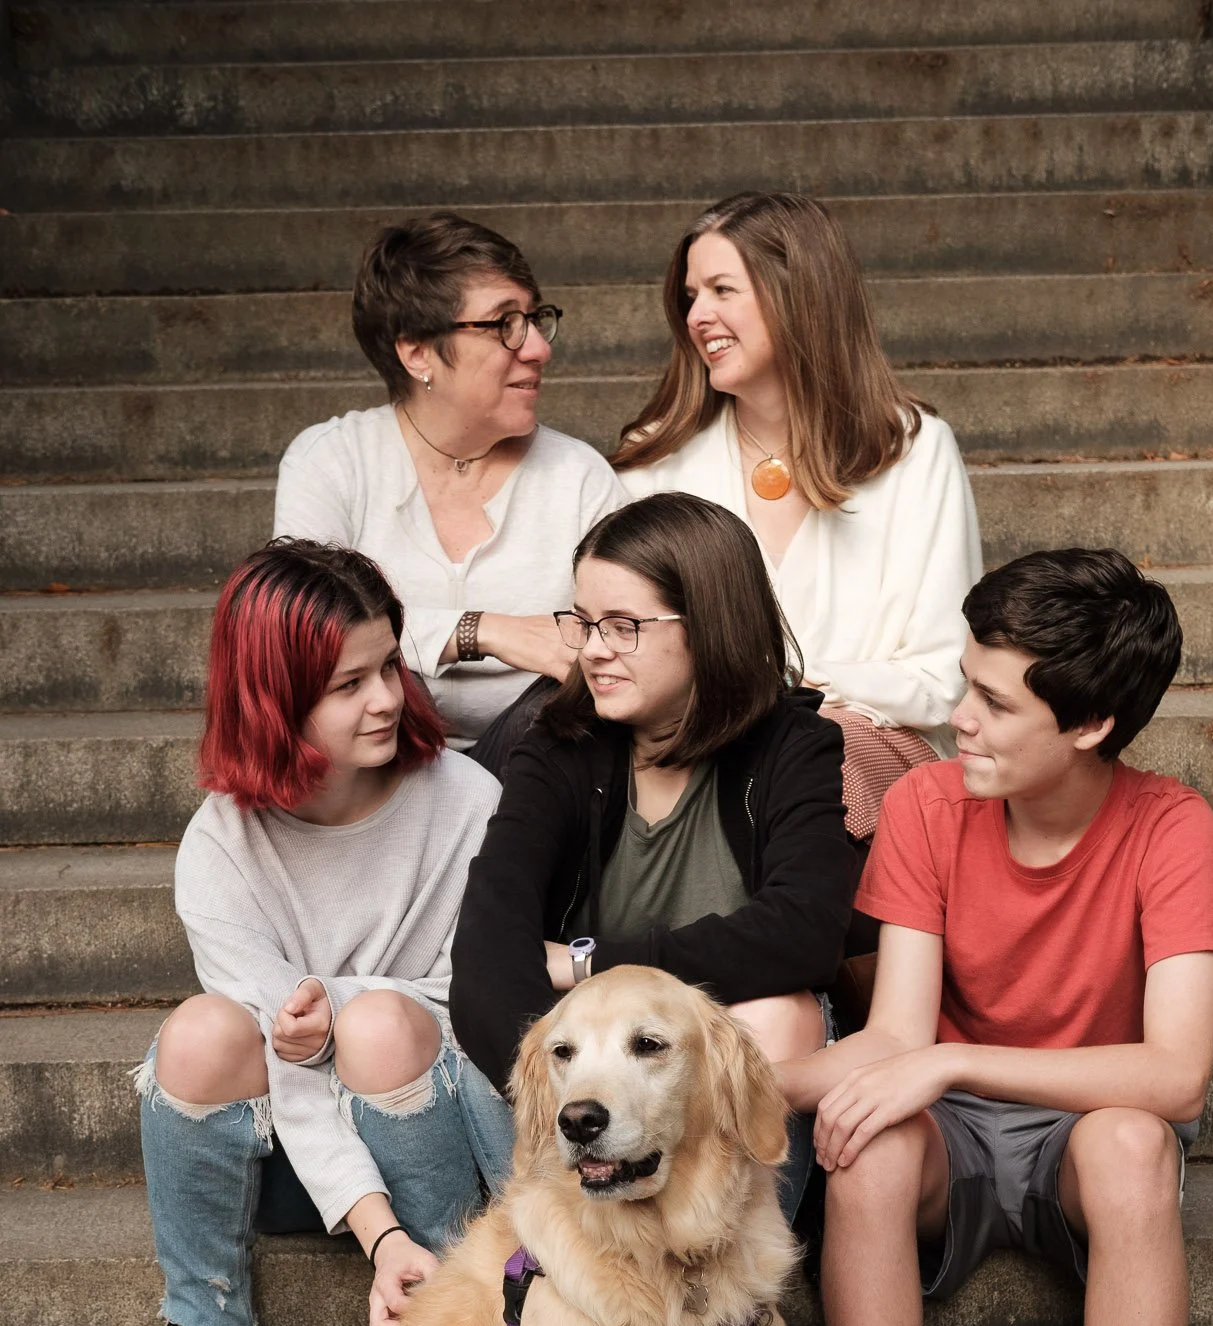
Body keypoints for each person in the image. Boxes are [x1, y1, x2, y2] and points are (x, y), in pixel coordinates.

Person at [779, 548, 1213, 1326]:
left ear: (1088, 725)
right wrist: (725, 1085)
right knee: (869, 1141)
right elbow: (893, 1035)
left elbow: (1175, 1071)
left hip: (1090, 1131)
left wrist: (954, 1059)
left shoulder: (1171, 825)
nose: (957, 717)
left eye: (992, 701)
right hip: (956, 1141)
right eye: (965, 683)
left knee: (1134, 1147)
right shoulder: (929, 804)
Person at [135, 541, 508, 1326]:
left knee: (376, 1025)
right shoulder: (222, 846)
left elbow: (488, 1011)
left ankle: (459, 1306)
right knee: (198, 1036)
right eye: (348, 685)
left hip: (432, 1139)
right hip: (297, 1162)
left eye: (388, 666)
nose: (385, 698)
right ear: (274, 698)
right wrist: (377, 1234)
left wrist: (340, 1005)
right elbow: (288, 1059)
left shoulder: (467, 802)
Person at [450, 492, 858, 1223]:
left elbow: (805, 932)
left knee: (779, 1013)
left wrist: (587, 965)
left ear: (708, 626)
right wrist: (579, 1076)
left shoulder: (792, 747)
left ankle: (735, 1269)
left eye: (623, 626)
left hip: (688, 1073)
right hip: (591, 1076)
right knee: (508, 1029)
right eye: (583, 622)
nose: (591, 648)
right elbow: (488, 943)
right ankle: (554, 1249)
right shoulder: (558, 746)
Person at [614, 190, 982, 841]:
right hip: (693, 738)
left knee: (807, 761)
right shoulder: (655, 465)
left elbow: (940, 674)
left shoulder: (914, 450)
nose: (697, 316)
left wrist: (789, 684)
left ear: (798, 296)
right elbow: (624, 645)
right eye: (690, 296)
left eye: (722, 290)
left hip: (873, 742)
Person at [274, 210, 625, 765]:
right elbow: (297, 626)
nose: (538, 347)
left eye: (536, 320)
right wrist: (481, 631)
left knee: (571, 702)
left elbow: (626, 633)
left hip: (534, 760)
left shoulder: (578, 476)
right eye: (505, 324)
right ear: (418, 353)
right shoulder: (333, 460)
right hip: (377, 756)